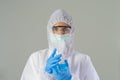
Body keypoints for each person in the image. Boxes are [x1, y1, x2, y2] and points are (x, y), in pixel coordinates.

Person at [21, 9, 100, 80]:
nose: (60, 33)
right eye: (55, 29)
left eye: (65, 29)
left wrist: (70, 79)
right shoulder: (36, 58)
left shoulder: (83, 60)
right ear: (49, 32)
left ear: (72, 32)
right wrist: (46, 75)